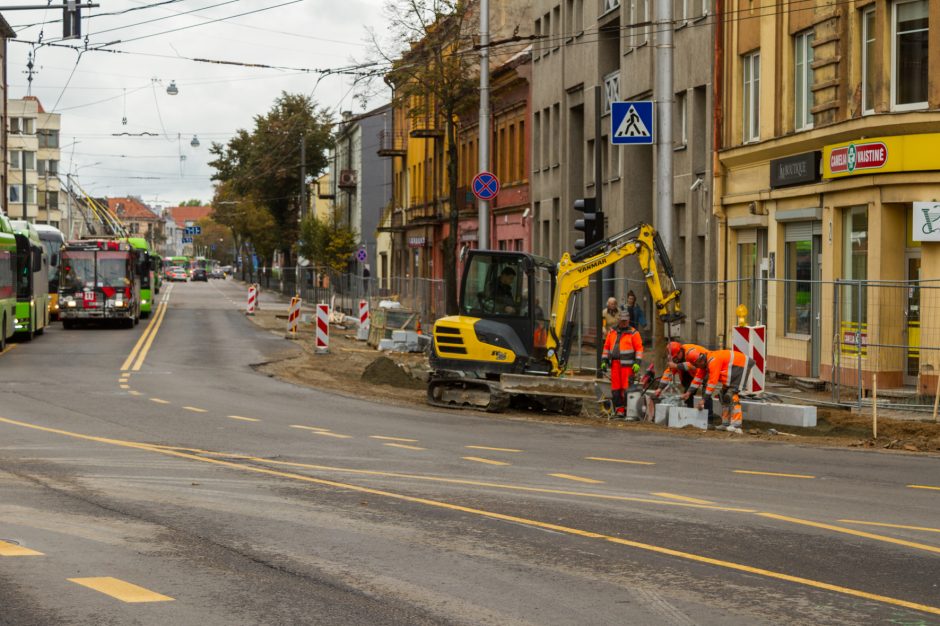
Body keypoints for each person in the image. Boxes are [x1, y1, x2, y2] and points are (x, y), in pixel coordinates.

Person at [684, 349, 755, 434]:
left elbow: (712, 383)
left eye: (696, 365)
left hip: (741, 366)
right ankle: (725, 423)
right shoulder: (704, 363)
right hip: (733, 368)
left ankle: (736, 426)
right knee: (723, 395)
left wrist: (703, 400)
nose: (696, 367)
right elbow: (697, 379)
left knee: (731, 395)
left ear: (700, 360)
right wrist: (688, 392)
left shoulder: (713, 361)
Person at [601, 310, 644, 420]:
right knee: (615, 389)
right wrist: (604, 361)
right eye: (622, 320)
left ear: (628, 320)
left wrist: (638, 363)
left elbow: (639, 349)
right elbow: (606, 347)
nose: (624, 322)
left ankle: (627, 411)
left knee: (626, 389)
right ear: (618, 320)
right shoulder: (612, 332)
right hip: (615, 365)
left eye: (626, 320)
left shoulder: (634, 333)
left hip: (628, 366)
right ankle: (619, 411)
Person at [654, 341, 714, 417]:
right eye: (674, 358)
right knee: (687, 392)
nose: (675, 360)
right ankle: (689, 415)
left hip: (707, 368)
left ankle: (709, 418)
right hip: (696, 372)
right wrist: (660, 388)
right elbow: (668, 372)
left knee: (706, 392)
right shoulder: (676, 359)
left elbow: (692, 365)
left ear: (680, 352)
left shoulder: (691, 352)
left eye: (676, 357)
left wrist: (676, 366)